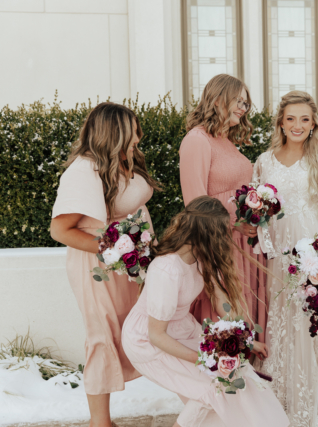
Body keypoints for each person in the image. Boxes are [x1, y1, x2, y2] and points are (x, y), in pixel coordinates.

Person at [122, 196, 289, 427]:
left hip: (182, 329)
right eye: (221, 234)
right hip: (147, 341)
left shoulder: (200, 257)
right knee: (213, 387)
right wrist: (207, 360)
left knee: (237, 375)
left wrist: (243, 342)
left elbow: (221, 301)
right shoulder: (167, 269)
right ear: (207, 234)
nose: (224, 239)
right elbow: (157, 335)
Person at [51, 102, 161, 427]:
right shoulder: (83, 171)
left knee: (137, 330)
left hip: (129, 266)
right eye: (130, 132)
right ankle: (100, 423)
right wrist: (111, 249)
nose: (137, 138)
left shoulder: (122, 162)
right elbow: (60, 230)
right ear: (113, 133)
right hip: (98, 270)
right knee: (102, 335)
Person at [251, 91, 318, 426]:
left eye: (305, 119)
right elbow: (257, 213)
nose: (297, 125)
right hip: (277, 257)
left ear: (313, 122)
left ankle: (314, 403)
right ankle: (282, 403)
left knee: (309, 325)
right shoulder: (264, 161)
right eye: (291, 118)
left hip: (312, 254)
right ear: (280, 121)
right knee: (282, 323)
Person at [179, 74, 267, 341]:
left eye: (245, 102)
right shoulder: (197, 140)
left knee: (245, 313)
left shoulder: (226, 141)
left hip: (243, 241)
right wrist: (232, 223)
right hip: (217, 240)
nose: (243, 107)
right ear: (217, 100)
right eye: (238, 100)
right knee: (223, 316)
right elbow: (195, 203)